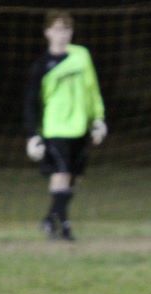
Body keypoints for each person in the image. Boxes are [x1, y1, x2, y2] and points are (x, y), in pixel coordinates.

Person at [23, 10, 107, 241]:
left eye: (67, 29)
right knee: (61, 174)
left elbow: (92, 89)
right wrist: (32, 134)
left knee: (74, 179)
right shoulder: (42, 66)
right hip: (55, 128)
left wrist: (98, 119)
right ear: (47, 32)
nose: (63, 34)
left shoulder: (81, 56)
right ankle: (64, 226)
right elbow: (31, 102)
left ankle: (51, 221)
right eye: (58, 29)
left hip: (80, 126)